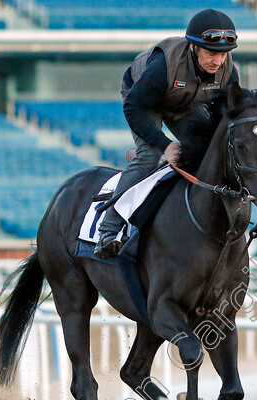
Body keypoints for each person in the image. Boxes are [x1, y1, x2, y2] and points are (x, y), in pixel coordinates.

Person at [93, 8, 240, 259]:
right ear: (193, 47)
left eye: (224, 55)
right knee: (150, 156)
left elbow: (227, 118)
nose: (218, 61)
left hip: (183, 104)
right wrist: (164, 145)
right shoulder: (163, 66)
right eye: (211, 53)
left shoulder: (228, 72)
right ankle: (108, 230)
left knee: (210, 151)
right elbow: (134, 108)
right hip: (143, 101)